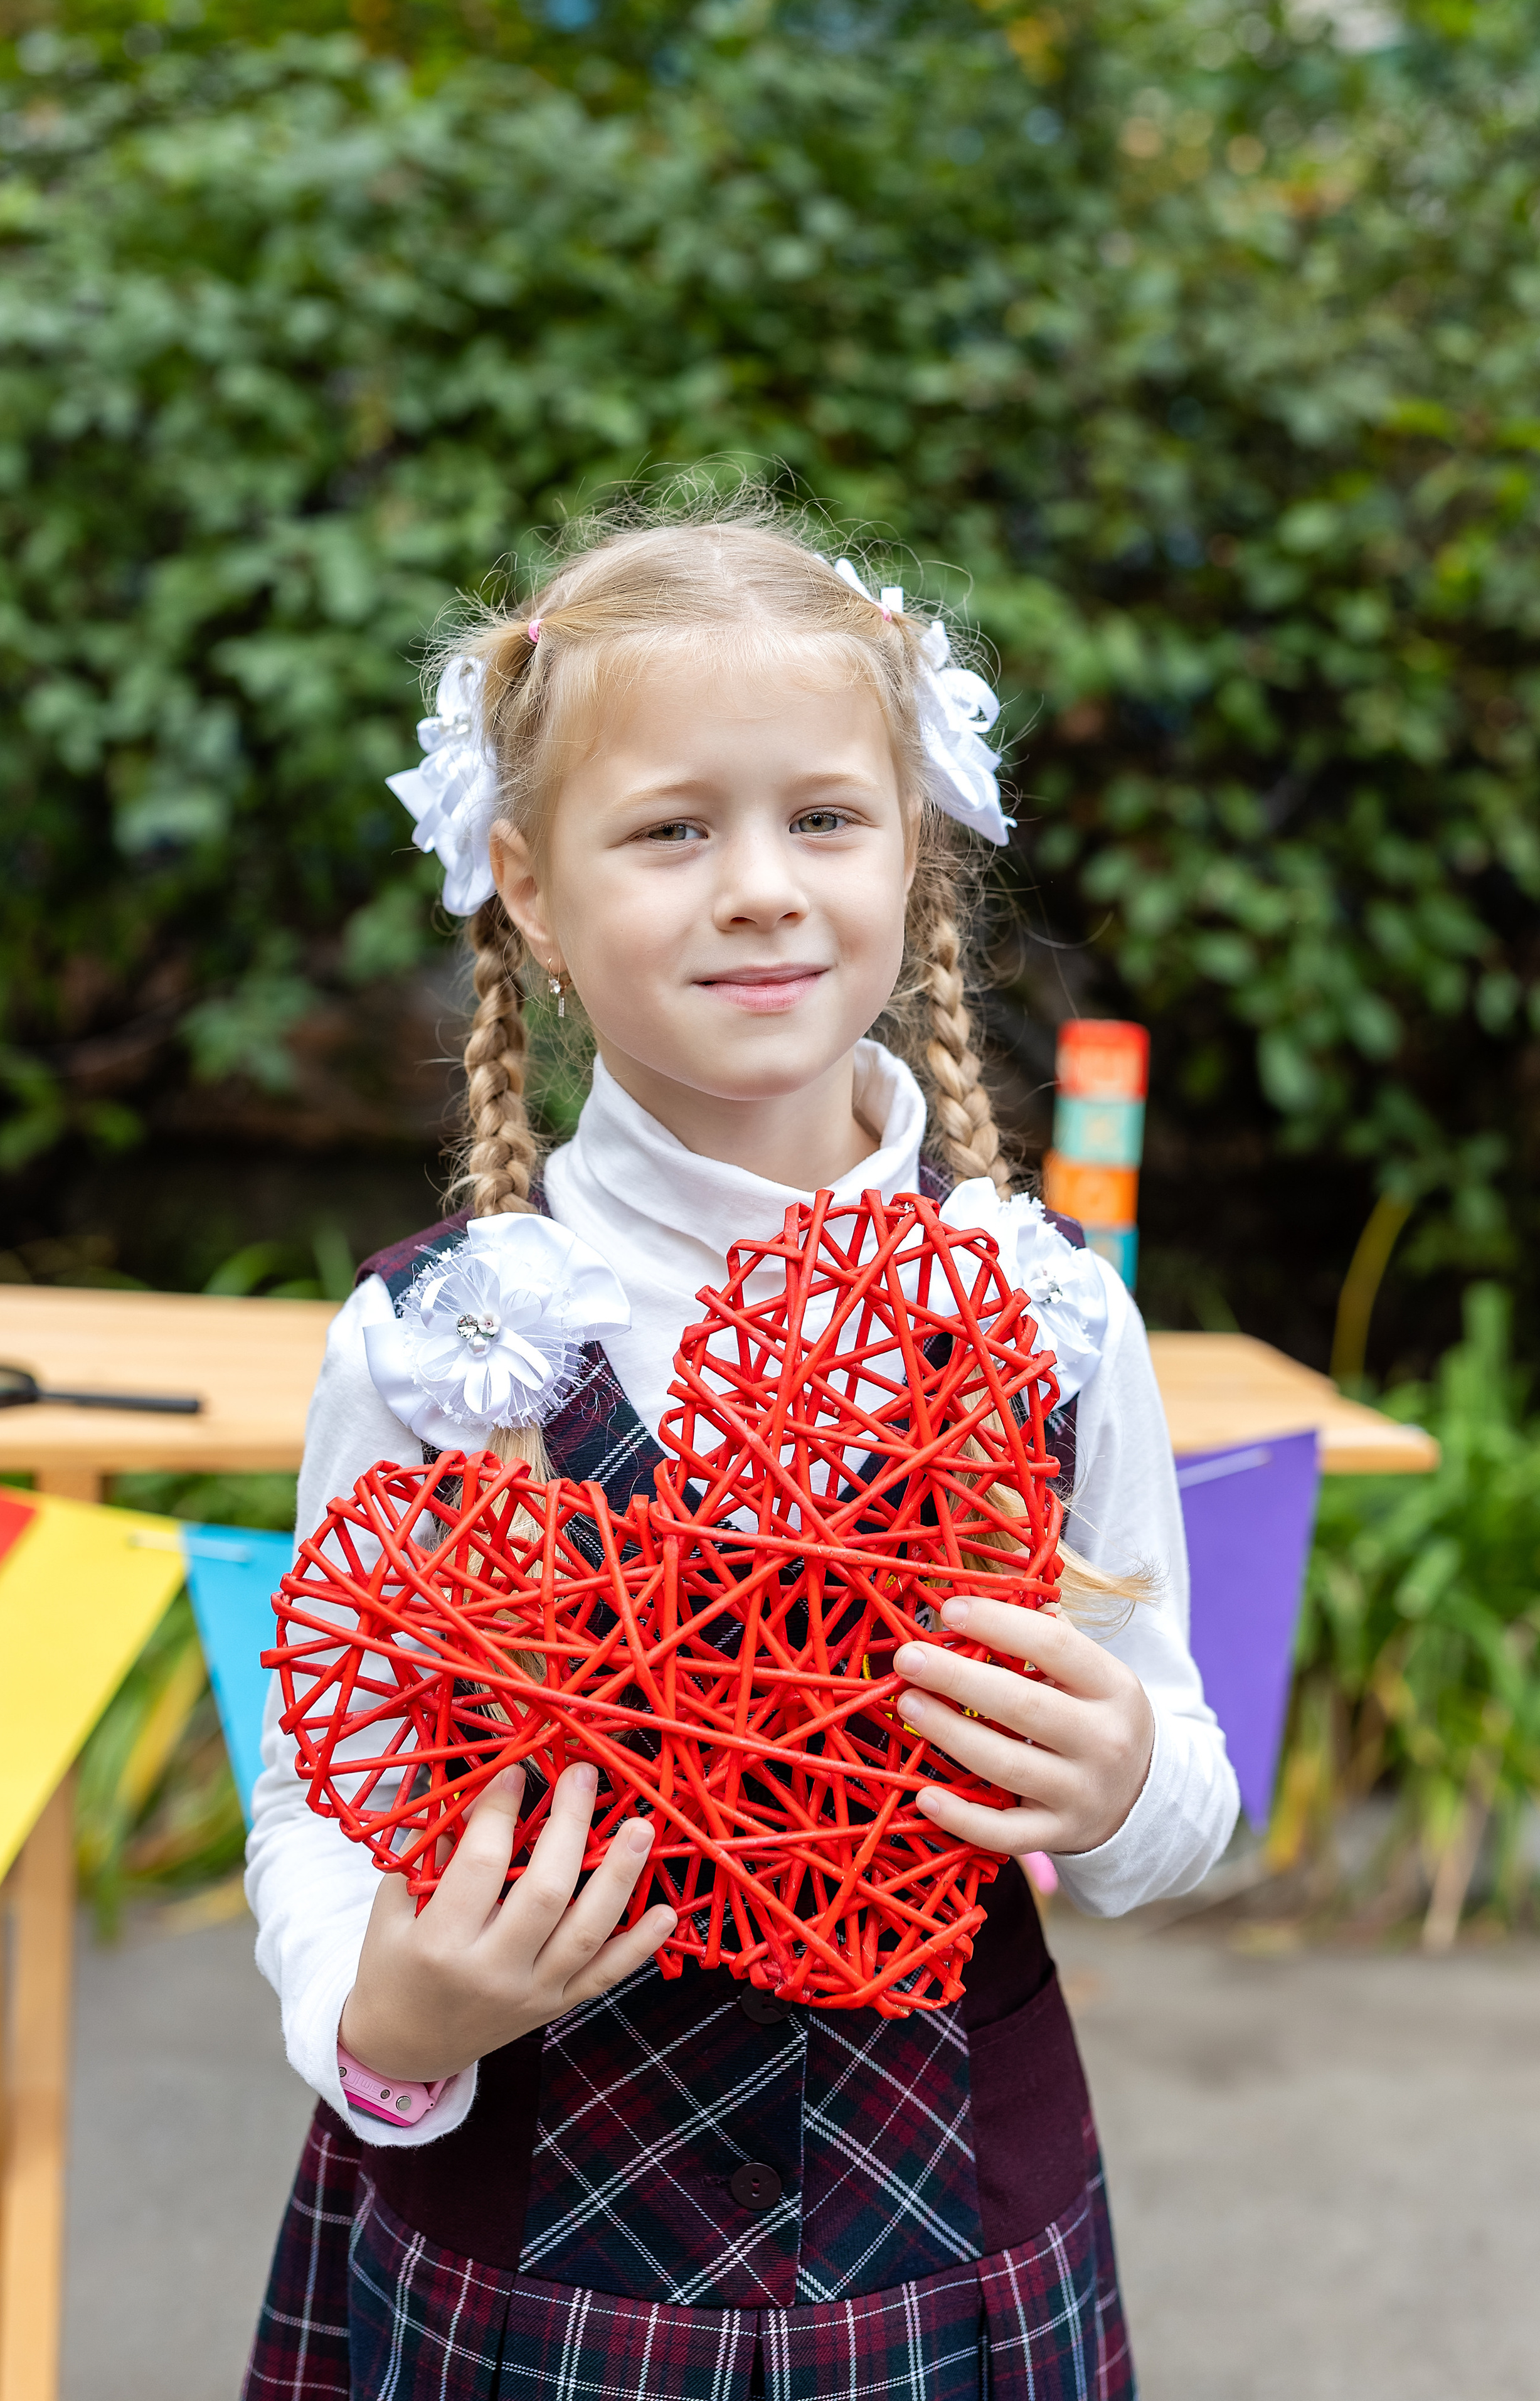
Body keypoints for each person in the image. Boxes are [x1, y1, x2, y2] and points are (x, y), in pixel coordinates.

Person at [242, 500, 1238, 2401]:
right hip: (529, 2259)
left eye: (826, 819)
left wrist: (1121, 1789)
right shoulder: (453, 1345)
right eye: (673, 830)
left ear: (914, 851)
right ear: (530, 889)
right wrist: (387, 2020)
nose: (763, 888)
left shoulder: (1043, 1317)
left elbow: (1175, 1771)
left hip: (946, 2250)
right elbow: (322, 1799)